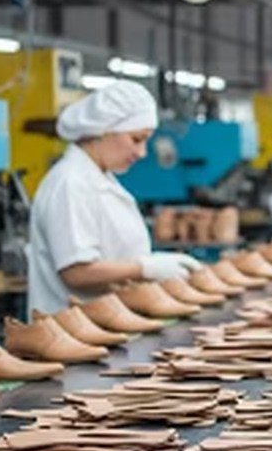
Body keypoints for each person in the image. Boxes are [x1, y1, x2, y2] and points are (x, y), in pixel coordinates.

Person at [27, 81, 201, 318]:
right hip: (71, 331)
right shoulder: (71, 183)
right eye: (136, 139)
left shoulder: (100, 178)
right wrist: (146, 268)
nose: (142, 153)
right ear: (102, 130)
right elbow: (77, 272)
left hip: (107, 323)